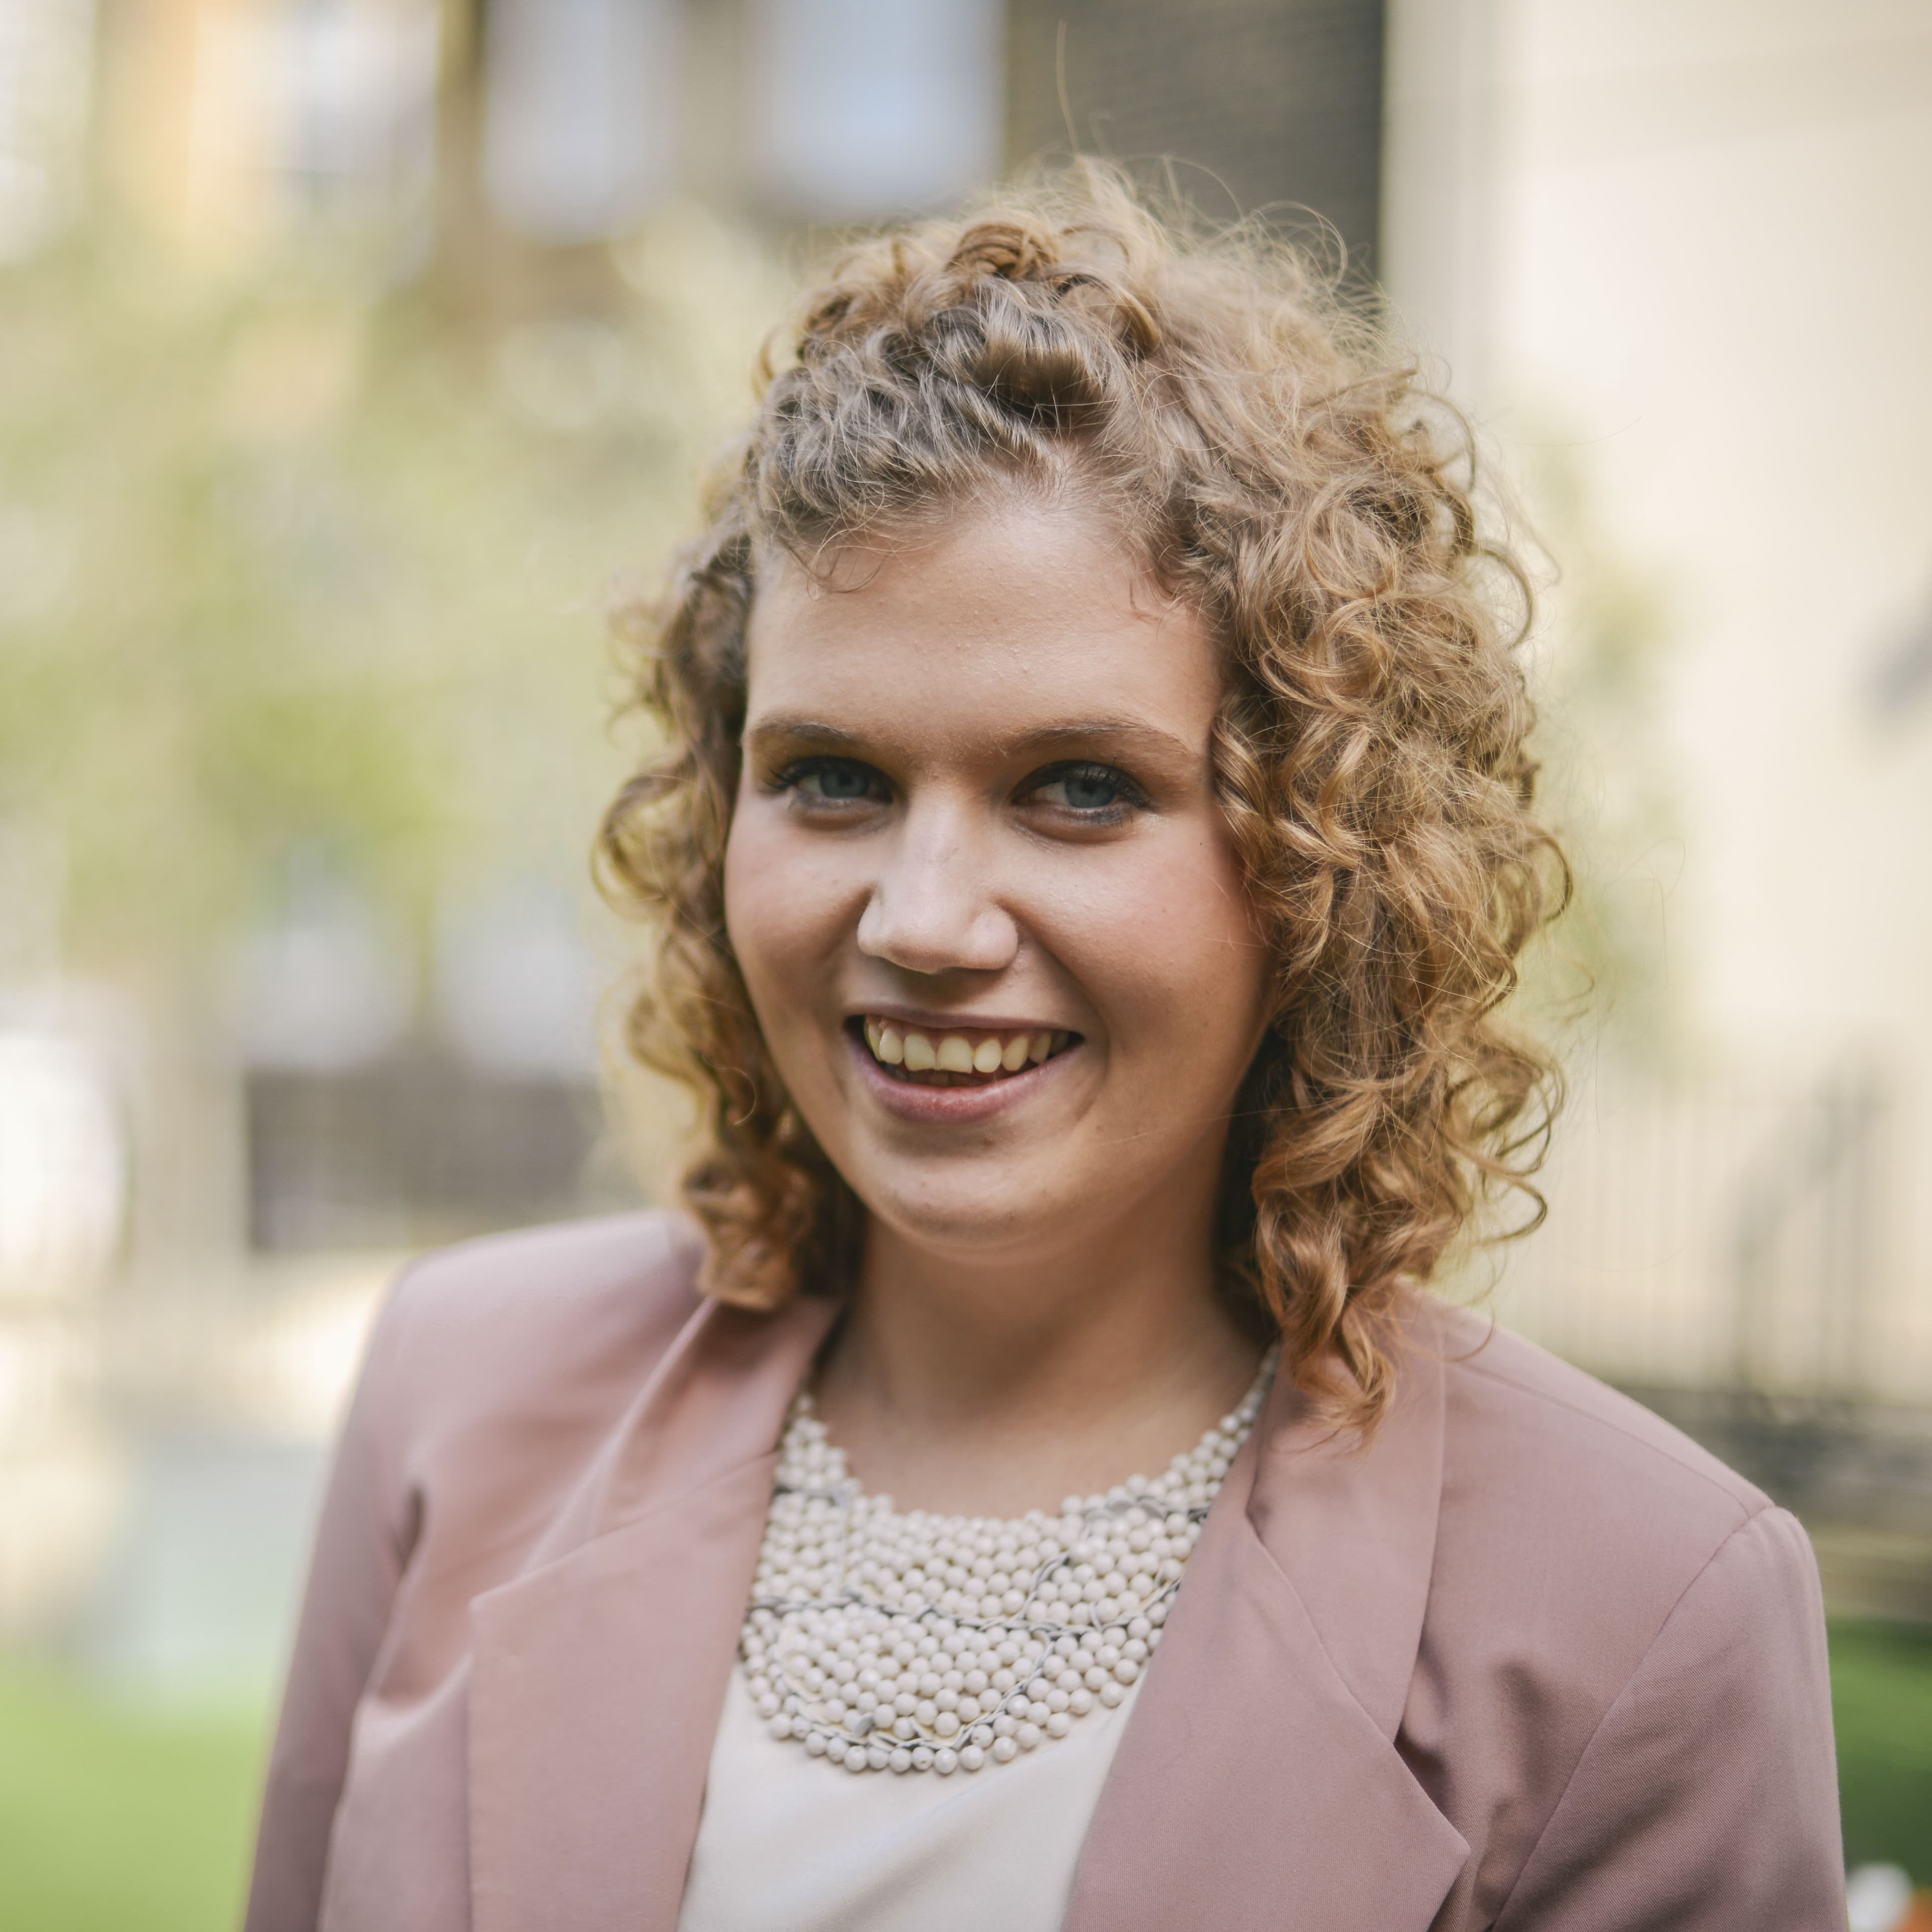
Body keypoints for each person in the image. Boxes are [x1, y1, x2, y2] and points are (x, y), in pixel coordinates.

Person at [244, 170, 1844, 1932]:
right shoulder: (453, 1401)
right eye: (832, 777)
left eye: (1079, 788)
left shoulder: (1642, 1613)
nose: (925, 920)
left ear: (1320, 863)